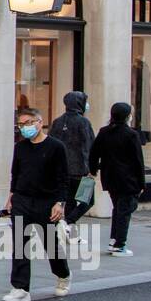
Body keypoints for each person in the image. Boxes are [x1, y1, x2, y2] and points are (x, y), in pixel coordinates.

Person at [2, 107, 70, 301]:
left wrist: (60, 203)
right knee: (19, 244)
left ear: (40, 122)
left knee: (50, 243)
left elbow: (62, 178)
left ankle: (63, 275)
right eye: (21, 124)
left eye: (28, 123)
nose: (24, 128)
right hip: (22, 200)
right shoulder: (20, 147)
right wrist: (10, 198)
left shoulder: (56, 147)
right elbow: (15, 174)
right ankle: (20, 288)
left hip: (46, 201)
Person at [88, 102, 145, 256]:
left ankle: (114, 240)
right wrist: (142, 183)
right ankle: (120, 244)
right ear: (127, 116)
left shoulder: (104, 132)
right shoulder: (131, 134)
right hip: (128, 180)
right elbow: (138, 161)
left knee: (118, 209)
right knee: (125, 211)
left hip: (110, 178)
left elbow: (93, 153)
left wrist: (93, 170)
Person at [47, 91, 95, 228]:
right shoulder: (84, 122)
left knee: (70, 200)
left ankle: (67, 229)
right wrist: (92, 169)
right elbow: (88, 146)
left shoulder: (57, 122)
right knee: (88, 200)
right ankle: (67, 222)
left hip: (61, 171)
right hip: (80, 171)